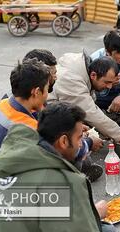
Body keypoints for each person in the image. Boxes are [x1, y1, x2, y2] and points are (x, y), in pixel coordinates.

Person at [0, 102, 118, 232]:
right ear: (64, 141)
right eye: (80, 137)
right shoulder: (63, 182)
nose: (82, 144)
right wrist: (92, 214)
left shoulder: (8, 158)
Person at [22, 49, 104, 182]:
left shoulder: (21, 97)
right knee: (78, 154)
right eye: (53, 74)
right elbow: (54, 145)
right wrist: (88, 142)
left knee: (79, 152)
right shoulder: (27, 123)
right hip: (28, 181)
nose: (56, 78)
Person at [0, 58, 50, 186]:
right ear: (37, 92)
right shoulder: (29, 129)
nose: (47, 96)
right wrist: (86, 143)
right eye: (47, 89)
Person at [48, 53, 120, 144]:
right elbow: (90, 112)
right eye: (107, 82)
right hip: (49, 120)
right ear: (93, 75)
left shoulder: (83, 69)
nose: (110, 87)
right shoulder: (72, 80)